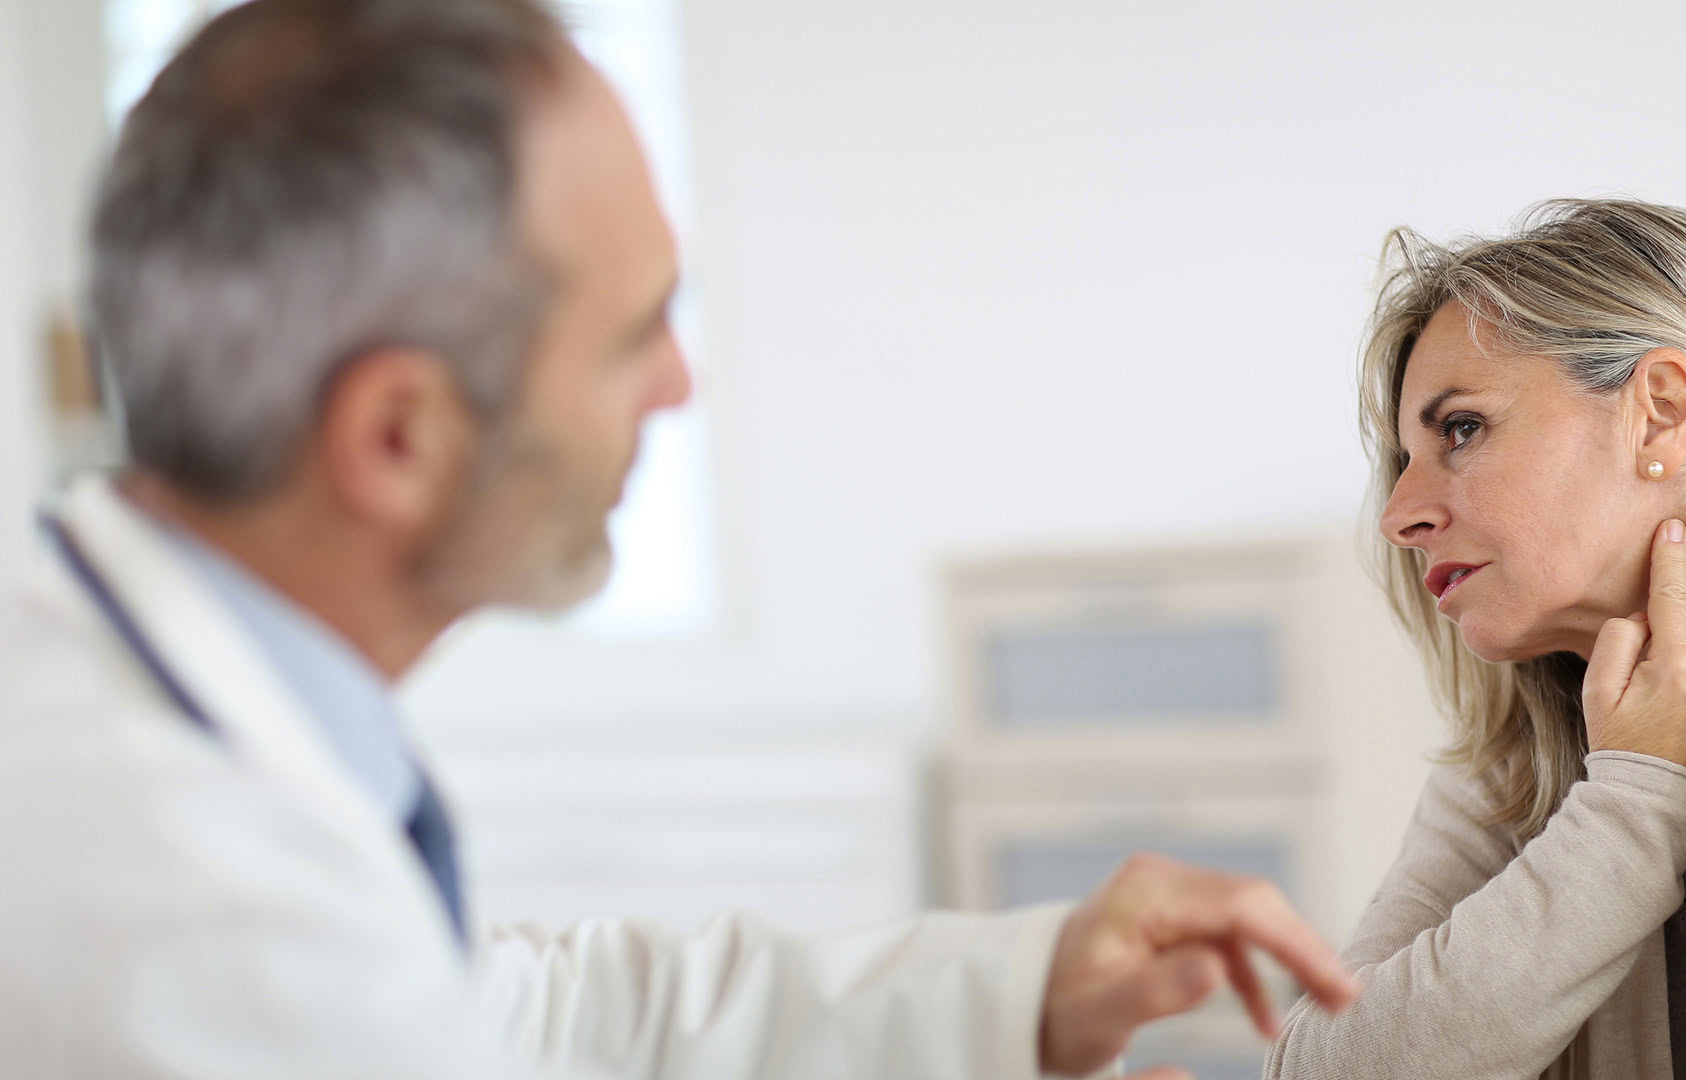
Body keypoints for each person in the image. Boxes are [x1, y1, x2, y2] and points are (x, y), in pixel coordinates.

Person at [0, 1, 1359, 1077]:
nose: (677, 386)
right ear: (400, 438)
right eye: (632, 334)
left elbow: (518, 1020)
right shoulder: (196, 931)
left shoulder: (162, 728)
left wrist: (1022, 992)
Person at [1266, 199, 1686, 1080]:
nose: (1399, 515)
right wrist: (1639, 803)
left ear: (1661, 414)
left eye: (1462, 429)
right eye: (1403, 463)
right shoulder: (1518, 763)